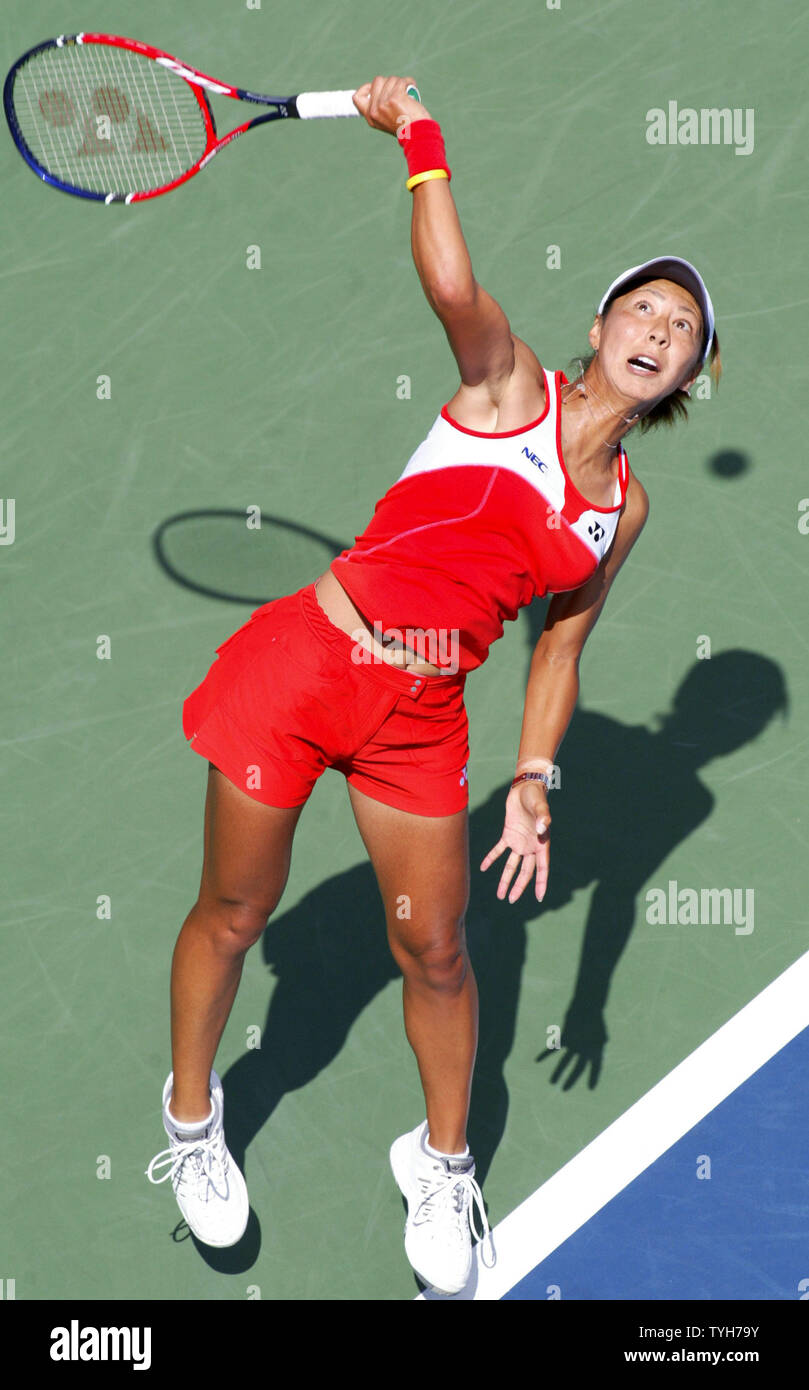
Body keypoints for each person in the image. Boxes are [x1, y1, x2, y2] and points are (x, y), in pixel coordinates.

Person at [146, 75, 721, 1297]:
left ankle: (441, 1160)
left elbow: (557, 645)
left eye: (681, 332)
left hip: (423, 717)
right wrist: (419, 139)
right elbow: (454, 285)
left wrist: (529, 777)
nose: (658, 330)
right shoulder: (506, 385)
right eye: (644, 306)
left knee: (443, 956)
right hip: (307, 664)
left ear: (687, 381)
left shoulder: (621, 509)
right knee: (236, 913)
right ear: (602, 317)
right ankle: (192, 1123)